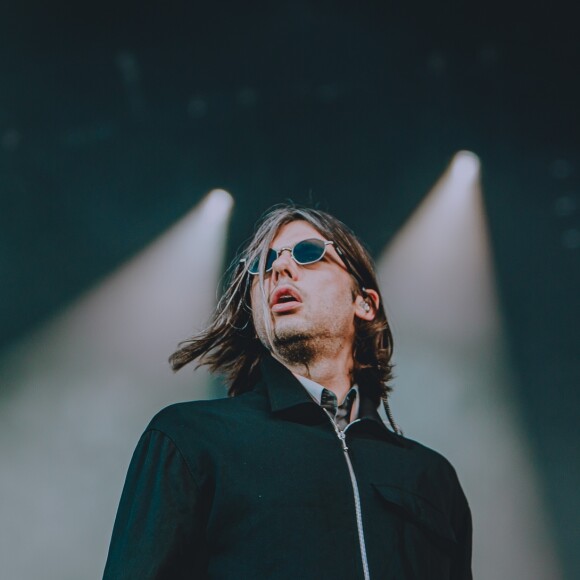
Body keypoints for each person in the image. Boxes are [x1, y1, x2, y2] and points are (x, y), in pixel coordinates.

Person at [103, 205, 473, 579]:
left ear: (364, 302)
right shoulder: (189, 437)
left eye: (308, 253)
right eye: (262, 264)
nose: (279, 268)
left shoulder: (431, 475)